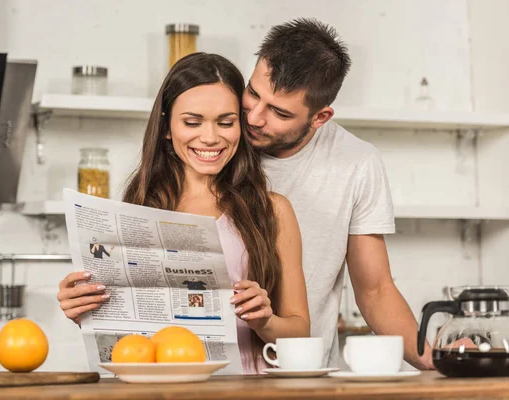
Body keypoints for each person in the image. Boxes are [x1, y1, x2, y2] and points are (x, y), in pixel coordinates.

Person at [57, 52, 310, 374]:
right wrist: (85, 313)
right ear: (166, 127)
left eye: (226, 122)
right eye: (192, 122)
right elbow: (128, 342)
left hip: (246, 390)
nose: (210, 137)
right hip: (162, 392)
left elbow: (300, 332)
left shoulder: (272, 210)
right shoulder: (135, 210)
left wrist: (265, 320)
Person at [241, 18, 433, 370]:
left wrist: (436, 360)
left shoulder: (357, 163)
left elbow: (375, 290)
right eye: (253, 92)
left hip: (303, 375)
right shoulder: (216, 140)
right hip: (211, 372)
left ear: (320, 117)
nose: (253, 117)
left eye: (279, 112)